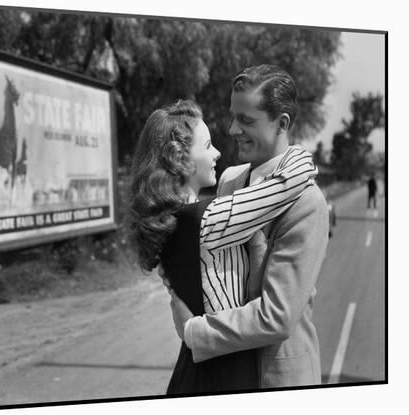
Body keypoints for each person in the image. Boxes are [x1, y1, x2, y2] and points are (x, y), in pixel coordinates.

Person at [127, 98, 317, 394]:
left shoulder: (168, 221)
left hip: (195, 369)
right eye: (207, 146)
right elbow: (289, 181)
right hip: (223, 375)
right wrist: (292, 146)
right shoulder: (208, 219)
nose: (217, 153)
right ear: (180, 157)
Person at [167, 64, 330, 389]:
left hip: (275, 378)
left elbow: (277, 315)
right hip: (222, 373)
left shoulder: (307, 203)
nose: (232, 129)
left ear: (281, 123)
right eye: (233, 116)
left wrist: (195, 331)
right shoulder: (229, 179)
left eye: (246, 120)